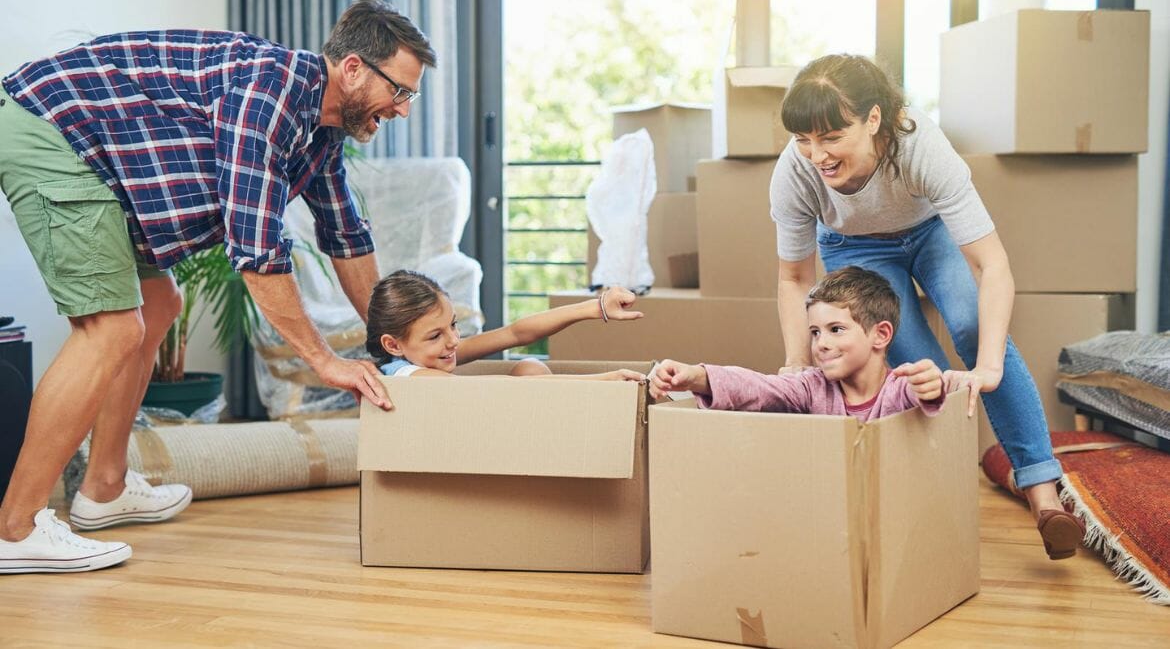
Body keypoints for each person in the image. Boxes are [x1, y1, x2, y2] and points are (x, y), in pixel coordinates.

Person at [0, 0, 431, 573]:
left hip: (100, 158)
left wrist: (390, 348)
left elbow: (346, 237)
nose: (401, 109)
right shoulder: (270, 92)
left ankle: (103, 488)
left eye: (410, 96)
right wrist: (327, 362)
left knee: (159, 303)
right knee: (109, 329)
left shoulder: (321, 131)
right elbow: (255, 250)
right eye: (399, 91)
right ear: (352, 69)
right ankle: (16, 528)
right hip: (51, 130)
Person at [769, 53, 1084, 560]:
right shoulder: (796, 172)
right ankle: (944, 504)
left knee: (971, 323)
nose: (816, 154)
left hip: (928, 231)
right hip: (854, 246)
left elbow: (991, 266)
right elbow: (794, 277)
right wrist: (796, 365)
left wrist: (989, 364)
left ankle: (1045, 497)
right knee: (917, 364)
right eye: (804, 139)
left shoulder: (918, 144)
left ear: (873, 120)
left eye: (831, 138)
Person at [649, 266, 947, 421]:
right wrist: (696, 377)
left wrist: (930, 387)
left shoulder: (897, 390)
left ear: (880, 335)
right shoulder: (812, 387)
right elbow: (758, 388)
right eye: (815, 332)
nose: (822, 343)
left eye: (836, 329)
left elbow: (922, 395)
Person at [368, 270, 645, 381]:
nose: (452, 340)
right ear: (393, 345)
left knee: (529, 367)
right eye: (435, 336)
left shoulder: (425, 355)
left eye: (452, 325)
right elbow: (497, 394)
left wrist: (595, 307)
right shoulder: (407, 375)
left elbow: (515, 333)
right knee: (527, 376)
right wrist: (602, 381)